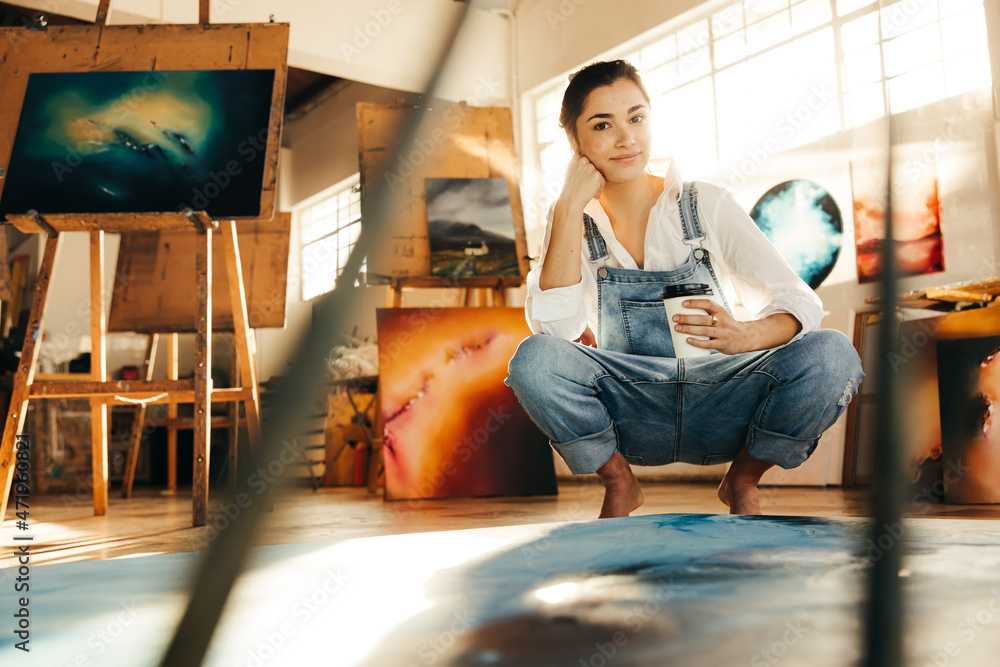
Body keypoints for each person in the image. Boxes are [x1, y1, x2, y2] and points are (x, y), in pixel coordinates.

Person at [505, 60, 864, 519]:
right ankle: (619, 481)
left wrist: (748, 335)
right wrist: (570, 203)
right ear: (575, 143)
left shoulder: (705, 203)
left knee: (832, 353)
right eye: (602, 125)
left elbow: (799, 300)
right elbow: (554, 331)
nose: (626, 138)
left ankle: (743, 478)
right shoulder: (570, 220)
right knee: (532, 360)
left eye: (636, 118)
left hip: (723, 398)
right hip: (632, 407)